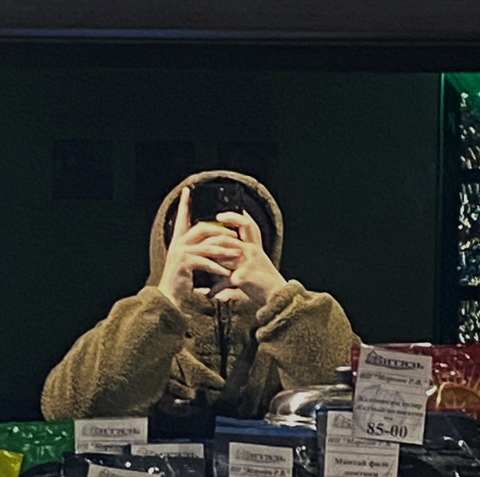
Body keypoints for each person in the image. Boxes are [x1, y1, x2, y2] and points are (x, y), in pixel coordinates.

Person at [41, 170, 360, 438]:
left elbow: (362, 410)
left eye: (237, 236)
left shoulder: (294, 323)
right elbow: (68, 411)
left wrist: (279, 297)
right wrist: (164, 299)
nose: (219, 245)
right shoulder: (135, 326)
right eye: (198, 235)